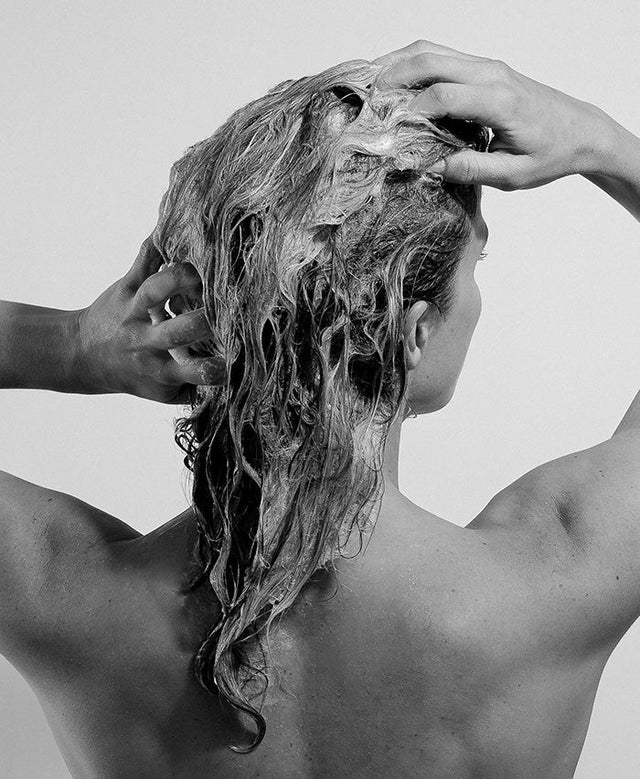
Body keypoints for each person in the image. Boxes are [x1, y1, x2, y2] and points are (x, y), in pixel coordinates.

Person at [0, 38, 639, 778]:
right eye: (477, 266)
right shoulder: (557, 579)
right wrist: (603, 142)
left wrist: (70, 345)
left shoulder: (66, 594)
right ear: (412, 330)